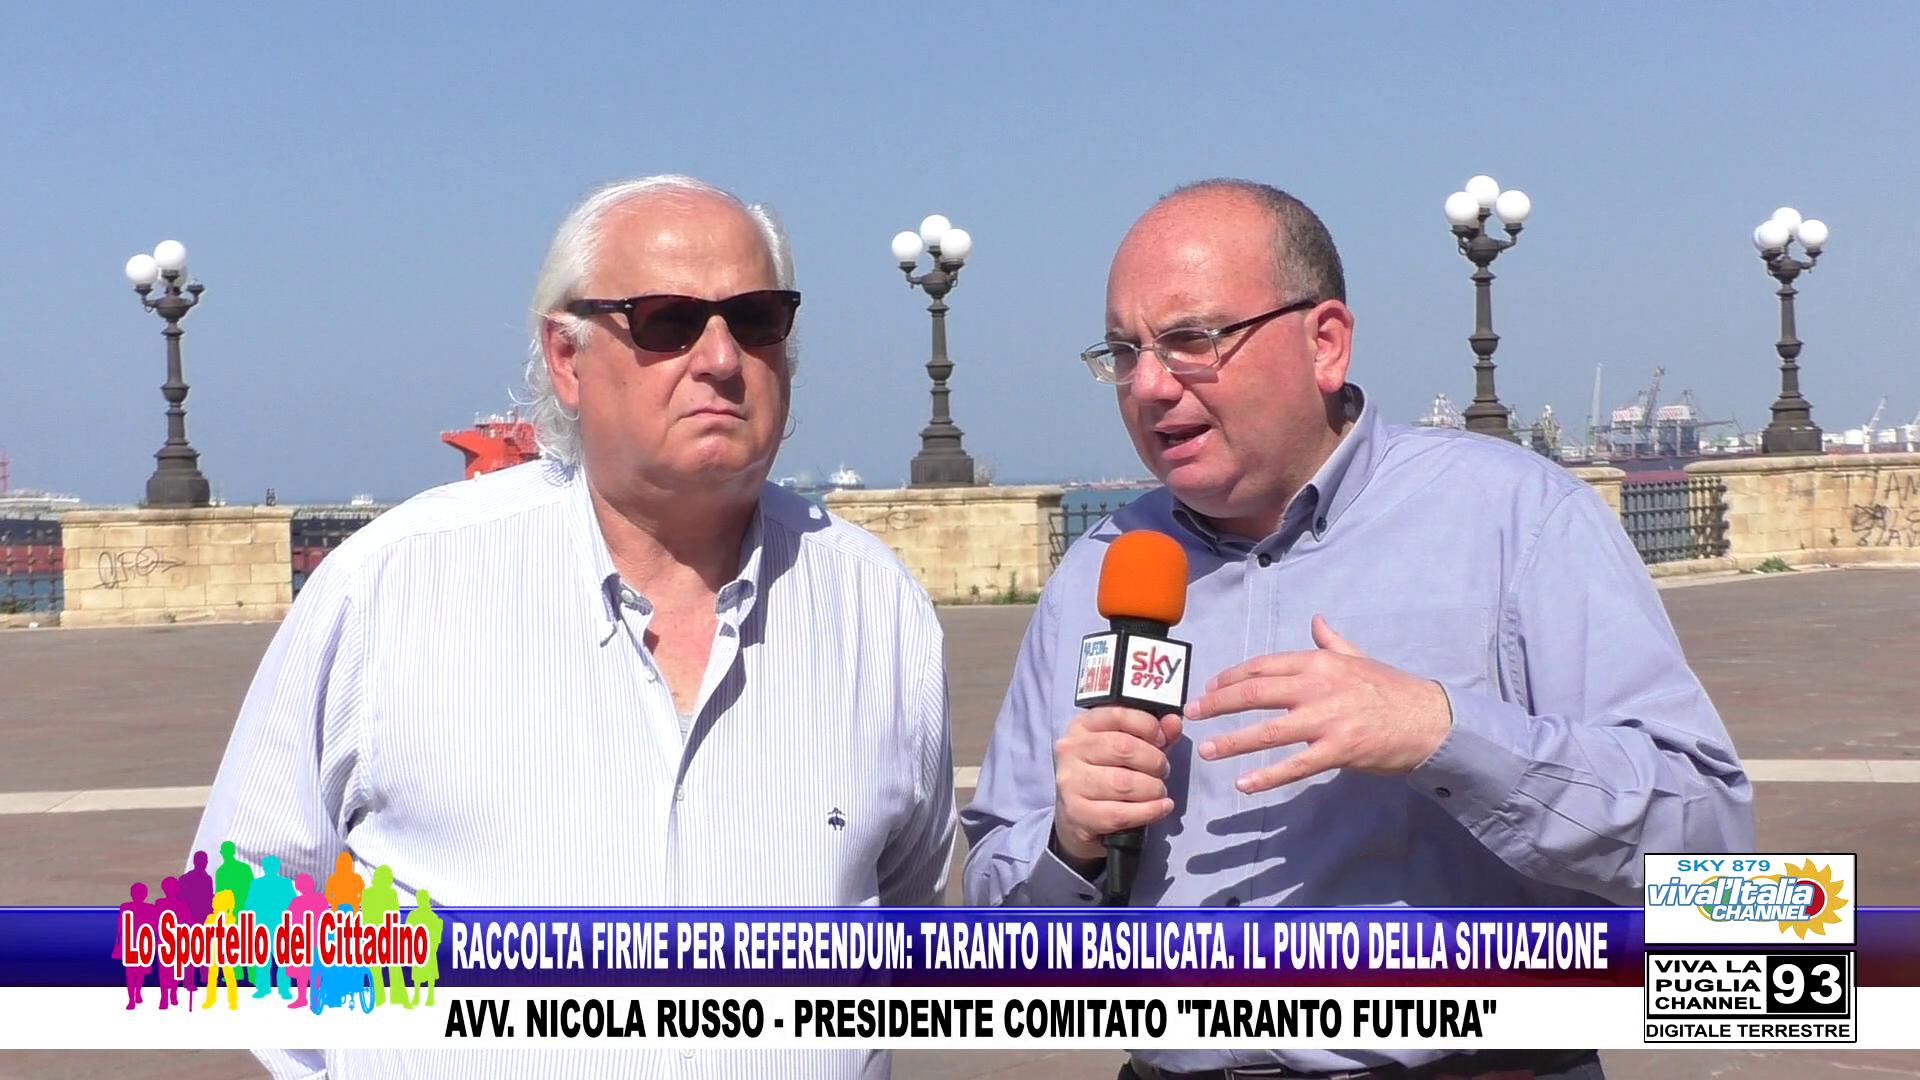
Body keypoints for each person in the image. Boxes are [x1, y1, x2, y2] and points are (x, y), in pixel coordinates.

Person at [961, 179, 1754, 1079]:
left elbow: (1709, 839)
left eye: (1192, 341)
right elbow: (995, 925)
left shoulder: (1518, 519)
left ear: (1325, 342)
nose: (1147, 385)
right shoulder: (1099, 571)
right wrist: (1069, 842)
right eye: (1124, 352)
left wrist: (1446, 733)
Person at [191, 173, 956, 1078]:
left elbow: (906, 913)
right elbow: (237, 921)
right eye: (669, 322)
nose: (721, 358)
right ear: (566, 356)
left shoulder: (876, 609)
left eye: (755, 319)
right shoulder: (393, 586)